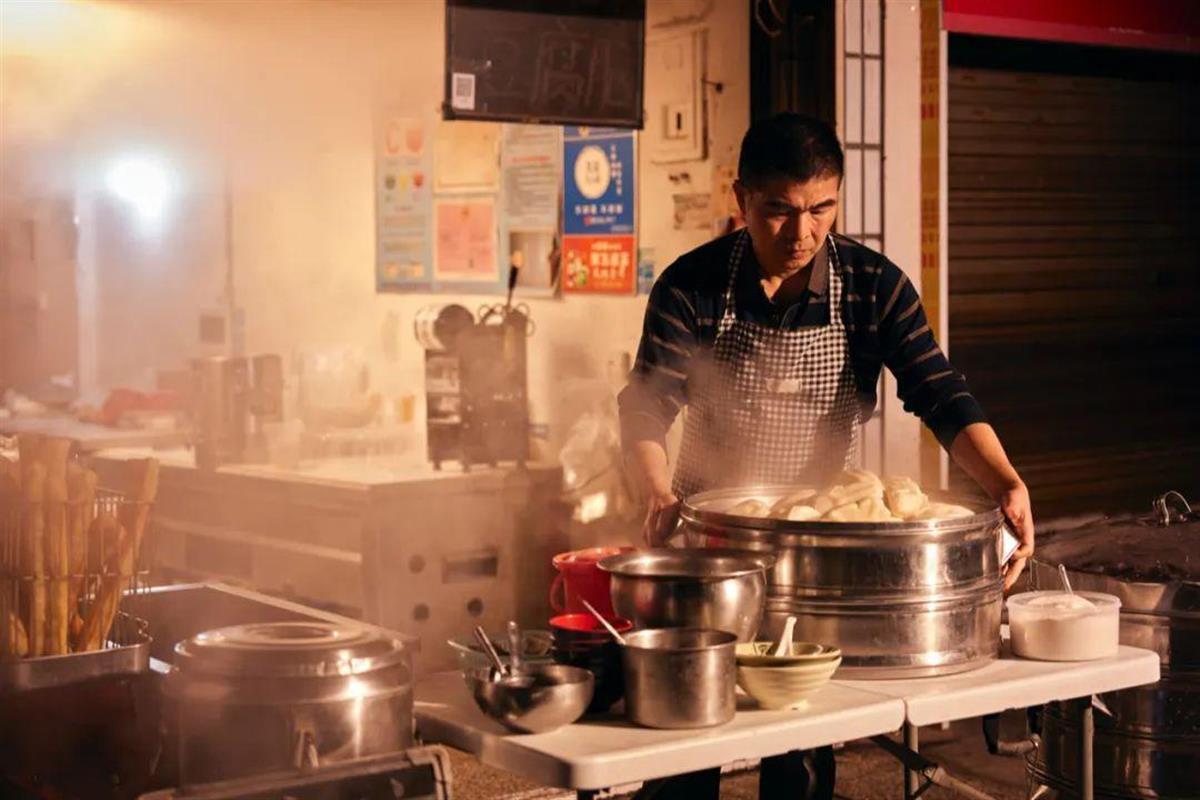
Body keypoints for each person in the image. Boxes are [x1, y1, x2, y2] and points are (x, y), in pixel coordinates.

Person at [617, 113, 1035, 800]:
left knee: (801, 735)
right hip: (710, 538)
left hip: (819, 545)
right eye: (778, 211)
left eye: (821, 210)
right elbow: (646, 402)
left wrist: (1007, 482)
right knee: (689, 737)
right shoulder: (691, 286)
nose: (801, 233)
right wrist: (657, 489)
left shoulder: (874, 286)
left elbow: (939, 391)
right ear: (740, 198)